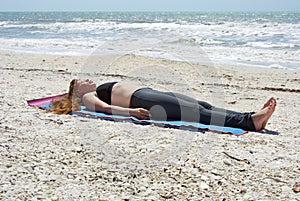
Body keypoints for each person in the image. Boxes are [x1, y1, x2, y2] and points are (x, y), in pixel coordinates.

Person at [47, 79, 276, 131]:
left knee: (202, 104)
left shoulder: (92, 91)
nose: (88, 80)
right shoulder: (88, 97)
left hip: (150, 94)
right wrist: (131, 112)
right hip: (142, 101)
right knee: (196, 112)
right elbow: (105, 109)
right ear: (78, 90)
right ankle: (250, 122)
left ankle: (251, 117)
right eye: (82, 82)